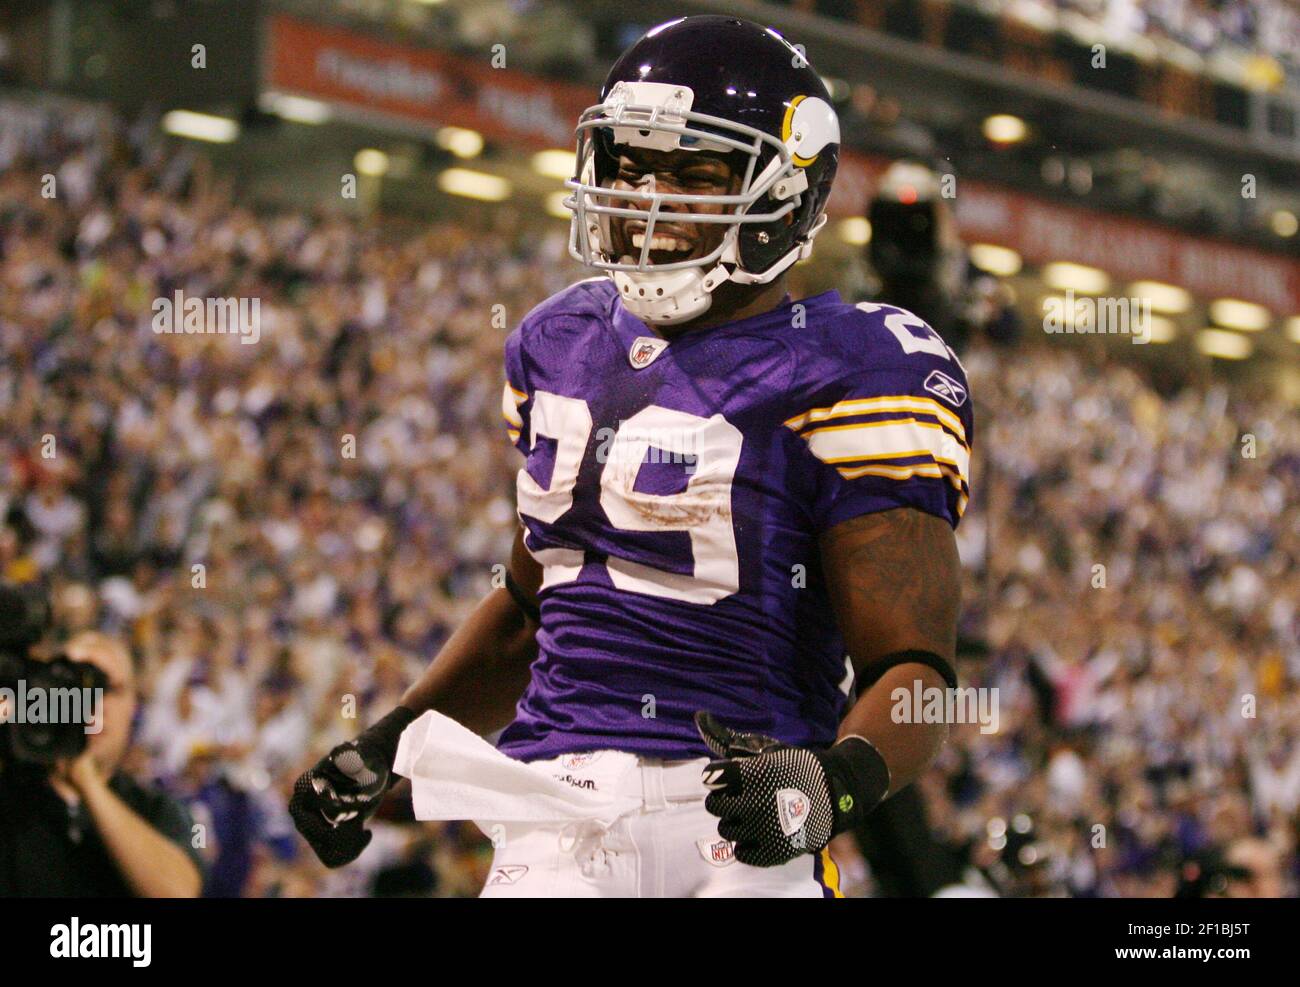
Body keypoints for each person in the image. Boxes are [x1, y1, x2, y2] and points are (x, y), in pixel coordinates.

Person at [291, 14, 973, 898]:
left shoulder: (859, 367)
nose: (649, 200)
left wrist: (826, 787)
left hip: (740, 812)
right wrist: (383, 748)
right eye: (630, 167)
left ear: (787, 193)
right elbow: (532, 609)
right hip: (555, 808)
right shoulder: (559, 342)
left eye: (694, 173)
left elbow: (912, 670)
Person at [0, 631, 204, 897]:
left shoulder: (157, 808)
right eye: (75, 688)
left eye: (108, 689)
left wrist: (86, 780)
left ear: (133, 705)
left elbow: (178, 892)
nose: (93, 704)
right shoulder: (9, 791)